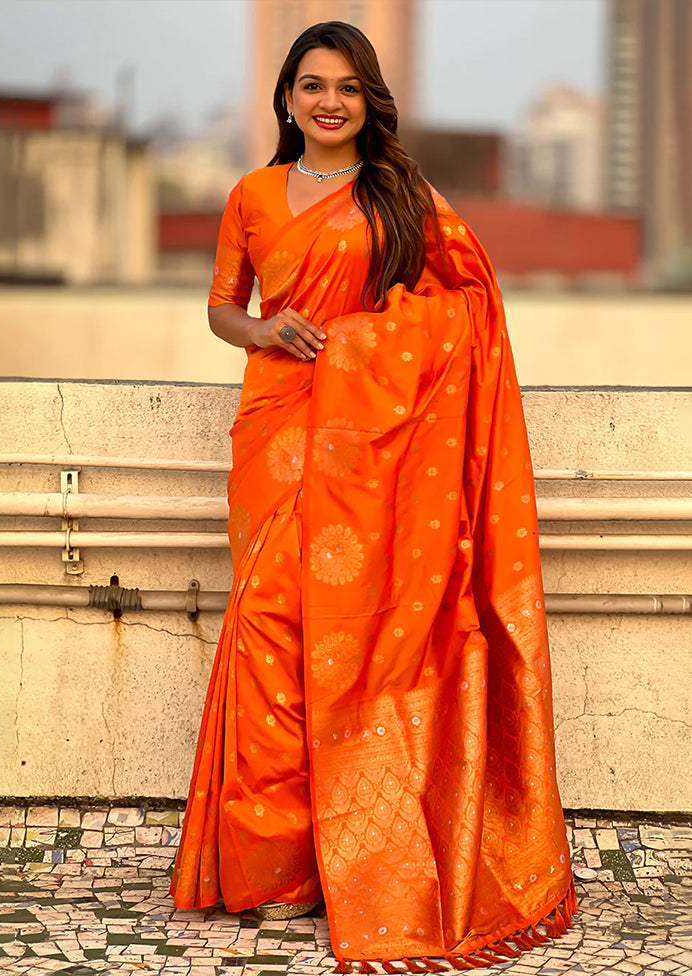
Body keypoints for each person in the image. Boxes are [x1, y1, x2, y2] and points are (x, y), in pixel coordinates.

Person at [170, 20, 576, 971]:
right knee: (272, 633)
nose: (328, 102)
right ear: (284, 98)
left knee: (362, 646)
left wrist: (364, 344)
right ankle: (275, 868)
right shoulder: (253, 196)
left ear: (370, 100)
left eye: (348, 88)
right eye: (312, 85)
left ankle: (355, 857)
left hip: (379, 447)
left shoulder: (401, 195)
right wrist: (268, 334)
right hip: (275, 433)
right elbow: (224, 306)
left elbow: (471, 301)